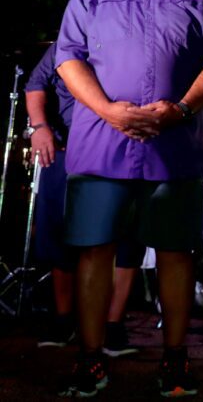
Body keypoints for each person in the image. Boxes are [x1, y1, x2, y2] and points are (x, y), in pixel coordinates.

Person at [54, 0, 203, 397]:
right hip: (101, 147)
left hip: (173, 150)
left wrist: (181, 109)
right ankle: (90, 361)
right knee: (94, 251)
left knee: (176, 253)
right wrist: (109, 111)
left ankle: (175, 362)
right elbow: (67, 59)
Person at [26, 44, 143, 357]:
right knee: (59, 237)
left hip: (123, 149)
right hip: (68, 151)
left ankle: (113, 328)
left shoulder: (133, 37)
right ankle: (64, 321)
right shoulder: (66, 42)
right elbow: (35, 84)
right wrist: (39, 127)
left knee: (128, 238)